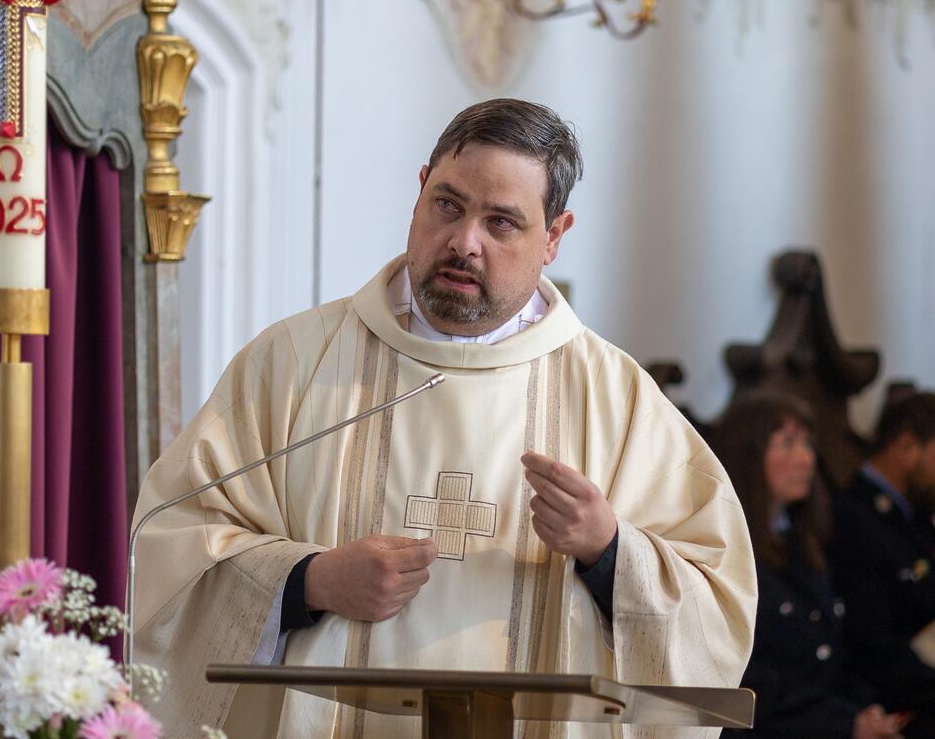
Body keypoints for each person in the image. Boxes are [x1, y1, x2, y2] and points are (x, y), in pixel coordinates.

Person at [130, 99, 757, 738]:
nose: (464, 241)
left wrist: (609, 549)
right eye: (448, 205)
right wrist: (309, 581)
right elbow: (169, 542)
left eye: (502, 222)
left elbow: (717, 606)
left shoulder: (617, 398)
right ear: (419, 192)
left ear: (555, 237)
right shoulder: (294, 363)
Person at [712, 394, 902, 738]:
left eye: (807, 444)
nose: (806, 459)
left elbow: (831, 654)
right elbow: (747, 681)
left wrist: (864, 710)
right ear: (748, 458)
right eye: (787, 444)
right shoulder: (723, 551)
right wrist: (845, 723)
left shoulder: (801, 543)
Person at [829, 392, 935, 737]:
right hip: (895, 704)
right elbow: (870, 645)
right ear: (906, 448)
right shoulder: (854, 521)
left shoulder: (912, 516)